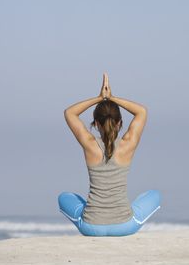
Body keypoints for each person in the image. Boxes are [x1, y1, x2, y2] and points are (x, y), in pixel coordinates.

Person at [58, 73, 161, 236]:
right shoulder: (128, 144)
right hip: (125, 226)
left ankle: (94, 217)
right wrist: (112, 97)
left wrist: (100, 98)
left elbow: (69, 112)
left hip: (91, 227)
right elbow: (141, 111)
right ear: (120, 122)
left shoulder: (89, 144)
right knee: (154, 195)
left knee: (64, 197)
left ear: (96, 123)